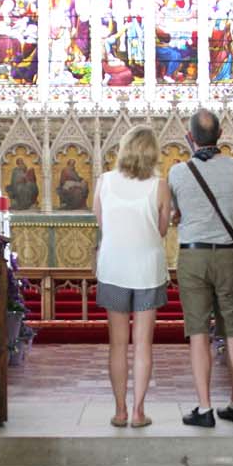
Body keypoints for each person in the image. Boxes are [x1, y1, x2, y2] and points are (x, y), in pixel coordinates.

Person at [168, 109, 233, 427]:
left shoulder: (177, 173)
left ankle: (204, 408)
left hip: (194, 256)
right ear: (220, 134)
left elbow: (176, 214)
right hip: (229, 255)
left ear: (190, 138)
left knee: (199, 333)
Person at [94, 126, 171, 428]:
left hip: (113, 267)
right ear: (153, 153)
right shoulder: (159, 186)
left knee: (117, 344)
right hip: (147, 270)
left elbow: (102, 222)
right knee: (142, 344)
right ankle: (139, 411)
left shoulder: (105, 182)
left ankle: (119, 410)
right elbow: (162, 230)